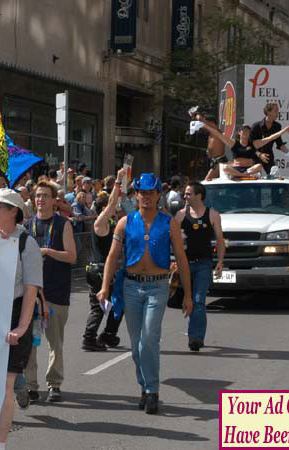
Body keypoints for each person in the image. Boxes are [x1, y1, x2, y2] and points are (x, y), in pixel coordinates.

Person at [97, 173, 193, 414]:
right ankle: (144, 386)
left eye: (151, 192)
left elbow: (181, 258)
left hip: (158, 285)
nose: (146, 196)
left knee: (149, 338)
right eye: (142, 192)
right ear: (136, 194)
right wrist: (105, 286)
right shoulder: (125, 222)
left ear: (159, 194)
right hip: (131, 286)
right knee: (136, 343)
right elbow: (112, 256)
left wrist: (188, 295)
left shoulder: (169, 222)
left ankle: (152, 390)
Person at [0, 188, 42, 450]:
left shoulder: (26, 243)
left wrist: (21, 327)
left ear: (14, 212)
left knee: (5, 386)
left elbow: (31, 289)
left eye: (0, 206)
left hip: (14, 315)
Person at [25, 181, 77, 403]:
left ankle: (54, 385)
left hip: (56, 291)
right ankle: (30, 386)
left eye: (45, 195)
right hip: (32, 293)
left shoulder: (63, 223)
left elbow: (72, 256)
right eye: (37, 195)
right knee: (29, 342)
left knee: (54, 342)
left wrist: (48, 251)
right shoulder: (27, 225)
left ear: (54, 200)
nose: (40, 199)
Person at [174, 182, 225, 351]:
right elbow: (171, 239)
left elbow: (219, 240)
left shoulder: (213, 215)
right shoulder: (180, 216)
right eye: (185, 194)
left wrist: (220, 261)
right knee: (188, 300)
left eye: (188, 194)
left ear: (199, 195)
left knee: (199, 300)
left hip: (204, 264)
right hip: (185, 265)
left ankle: (195, 338)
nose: (185, 197)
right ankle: (194, 332)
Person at [82, 168, 126, 351]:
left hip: (103, 270)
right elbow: (113, 201)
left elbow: (118, 202)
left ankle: (108, 333)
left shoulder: (110, 224)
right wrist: (118, 180)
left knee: (118, 303)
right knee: (99, 306)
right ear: (103, 209)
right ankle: (89, 338)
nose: (115, 210)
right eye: (111, 208)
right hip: (98, 270)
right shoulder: (100, 222)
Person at [202, 122, 288, 179]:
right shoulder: (234, 143)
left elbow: (270, 138)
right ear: (239, 132)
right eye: (244, 130)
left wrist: (284, 131)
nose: (246, 132)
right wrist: (204, 125)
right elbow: (218, 134)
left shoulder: (253, 144)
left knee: (259, 166)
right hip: (236, 169)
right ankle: (242, 175)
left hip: (249, 169)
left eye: (248, 131)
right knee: (224, 167)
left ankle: (244, 175)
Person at [251, 103, 289, 174]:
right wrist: (260, 155)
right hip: (255, 156)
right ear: (268, 112)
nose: (278, 113)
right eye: (276, 111)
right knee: (255, 178)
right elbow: (250, 146)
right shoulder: (256, 126)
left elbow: (279, 144)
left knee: (273, 177)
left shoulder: (277, 126)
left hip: (268, 156)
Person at [189, 109, 228, 180]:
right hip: (214, 162)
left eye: (206, 123)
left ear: (212, 123)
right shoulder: (211, 134)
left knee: (207, 181)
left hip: (219, 162)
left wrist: (195, 114)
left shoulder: (216, 131)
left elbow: (201, 120)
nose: (203, 125)